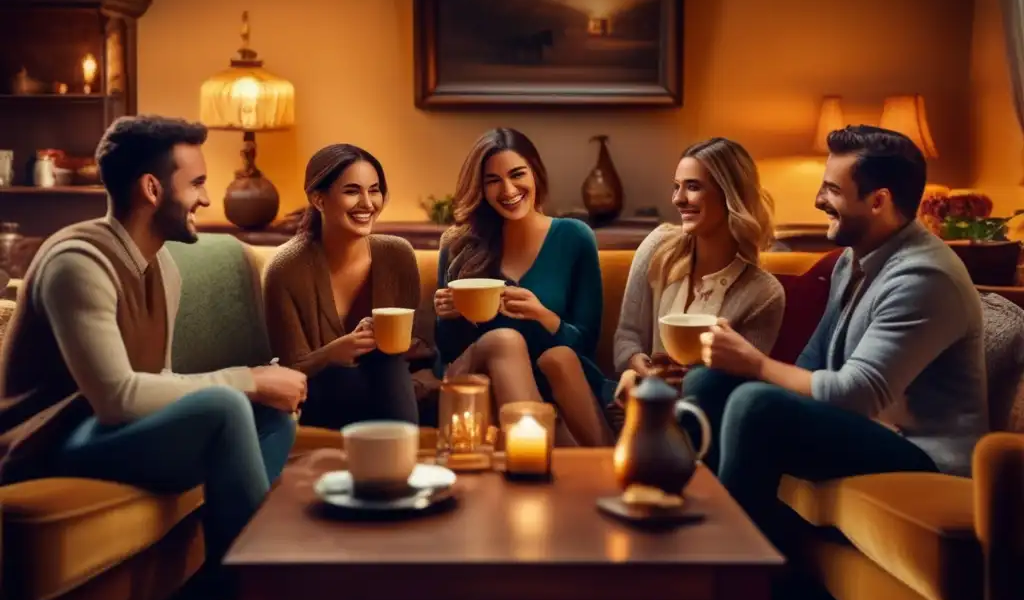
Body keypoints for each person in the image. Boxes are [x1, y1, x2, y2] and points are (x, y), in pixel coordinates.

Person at [0, 115, 306, 573]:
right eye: (197, 183)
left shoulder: (163, 268)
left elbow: (153, 382)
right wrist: (250, 381)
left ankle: (224, 563)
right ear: (151, 189)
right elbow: (116, 399)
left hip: (106, 433)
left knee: (273, 420)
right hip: (48, 441)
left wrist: (261, 391)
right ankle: (253, 576)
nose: (205, 197)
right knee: (227, 407)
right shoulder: (77, 264)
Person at [686, 124, 986, 544]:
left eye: (832, 190)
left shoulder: (924, 276)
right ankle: (697, 532)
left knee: (756, 406)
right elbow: (813, 361)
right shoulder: (853, 259)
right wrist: (737, 366)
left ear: (879, 200)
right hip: (872, 427)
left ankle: (728, 568)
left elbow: (856, 393)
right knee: (708, 380)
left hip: (924, 454)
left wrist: (752, 362)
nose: (818, 200)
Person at [434, 127, 612, 446]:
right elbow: (446, 353)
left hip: (557, 380)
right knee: (505, 339)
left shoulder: (574, 237)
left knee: (559, 357)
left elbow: (587, 344)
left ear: (536, 174)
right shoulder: (459, 245)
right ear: (481, 189)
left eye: (517, 174)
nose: (508, 189)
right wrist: (450, 316)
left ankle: (580, 468)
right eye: (493, 181)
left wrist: (544, 316)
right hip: (480, 373)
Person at [611, 137, 785, 447]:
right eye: (676, 186)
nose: (678, 199)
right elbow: (627, 337)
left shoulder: (764, 293)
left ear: (729, 194)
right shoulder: (657, 247)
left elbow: (738, 385)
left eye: (693, 187)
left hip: (703, 422)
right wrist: (644, 373)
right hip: (639, 398)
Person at [263, 144, 421, 429]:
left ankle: (399, 457)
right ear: (319, 200)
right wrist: (332, 353)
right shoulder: (285, 269)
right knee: (357, 372)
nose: (367, 203)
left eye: (374, 190)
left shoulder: (398, 255)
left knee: (388, 362)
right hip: (324, 394)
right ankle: (402, 458)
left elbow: (418, 346)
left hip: (396, 387)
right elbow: (288, 370)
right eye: (352, 191)